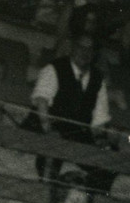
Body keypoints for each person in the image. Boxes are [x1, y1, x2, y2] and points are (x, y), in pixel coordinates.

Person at [29, 31, 111, 182]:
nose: (85, 52)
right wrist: (48, 129)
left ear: (94, 54)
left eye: (90, 49)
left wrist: (101, 140)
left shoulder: (98, 79)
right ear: (72, 48)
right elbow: (41, 101)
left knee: (106, 167)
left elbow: (99, 118)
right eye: (81, 47)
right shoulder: (54, 68)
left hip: (77, 134)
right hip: (48, 127)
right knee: (53, 152)